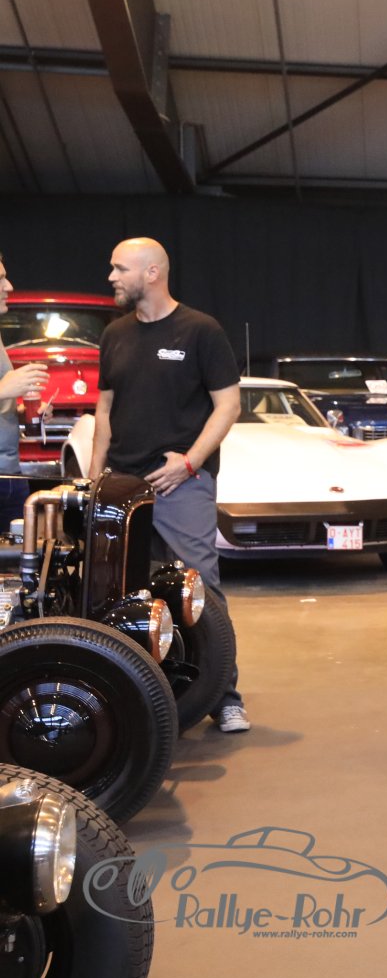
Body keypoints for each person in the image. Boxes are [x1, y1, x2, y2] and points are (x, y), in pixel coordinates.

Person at [90, 237, 251, 732]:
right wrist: (95, 477)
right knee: (120, 592)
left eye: (120, 268)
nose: (111, 277)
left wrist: (190, 462)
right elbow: (104, 410)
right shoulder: (114, 334)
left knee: (200, 591)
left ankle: (223, 696)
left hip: (181, 485)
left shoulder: (201, 331)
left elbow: (229, 405)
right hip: (121, 485)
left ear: (152, 272)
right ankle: (136, 695)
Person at [0, 252, 49, 524]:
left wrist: (22, 412)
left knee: (19, 549)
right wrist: (4, 388)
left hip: (10, 473)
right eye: (0, 279)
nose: (9, 287)